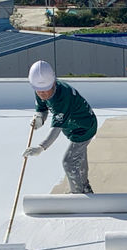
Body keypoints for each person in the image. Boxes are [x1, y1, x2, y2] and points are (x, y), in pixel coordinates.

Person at [23, 60, 98, 194]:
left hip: (84, 127)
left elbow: (56, 129)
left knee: (69, 162)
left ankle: (77, 193)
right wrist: (40, 117)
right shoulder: (40, 88)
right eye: (39, 91)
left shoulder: (63, 96)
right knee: (78, 158)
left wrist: (41, 147)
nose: (43, 94)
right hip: (72, 127)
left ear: (53, 82)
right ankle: (85, 186)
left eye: (46, 90)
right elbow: (42, 108)